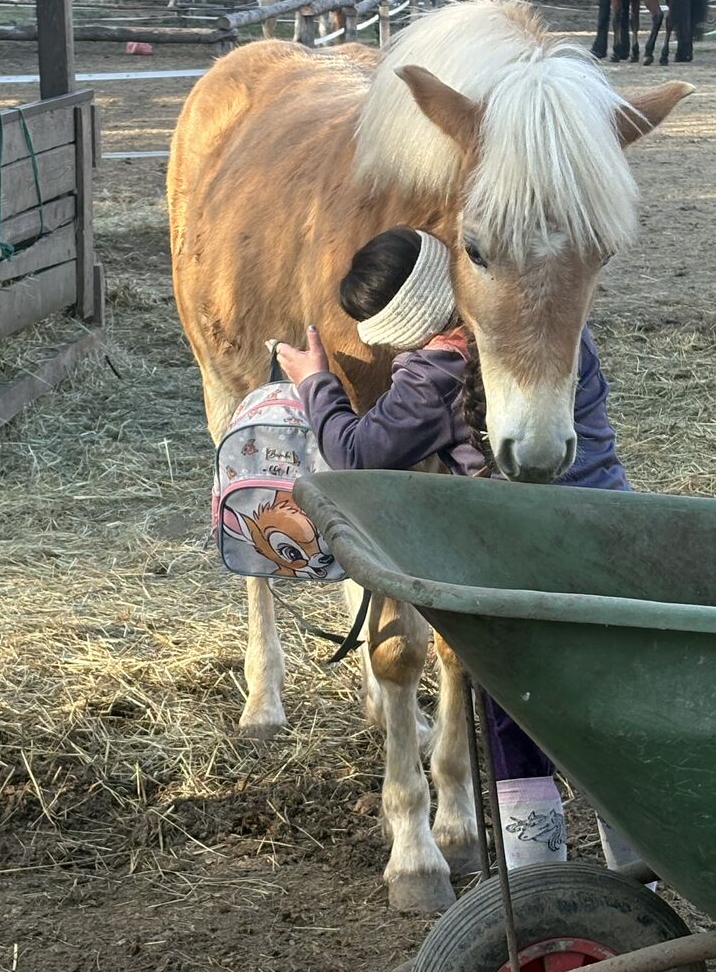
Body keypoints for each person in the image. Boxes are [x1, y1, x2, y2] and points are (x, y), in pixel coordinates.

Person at [268, 225, 634, 873]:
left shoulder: (435, 372)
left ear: (403, 329)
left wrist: (314, 381)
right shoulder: (556, 335)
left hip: (519, 570)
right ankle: (639, 873)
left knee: (514, 727)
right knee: (607, 727)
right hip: (613, 543)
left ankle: (538, 875)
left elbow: (358, 452)